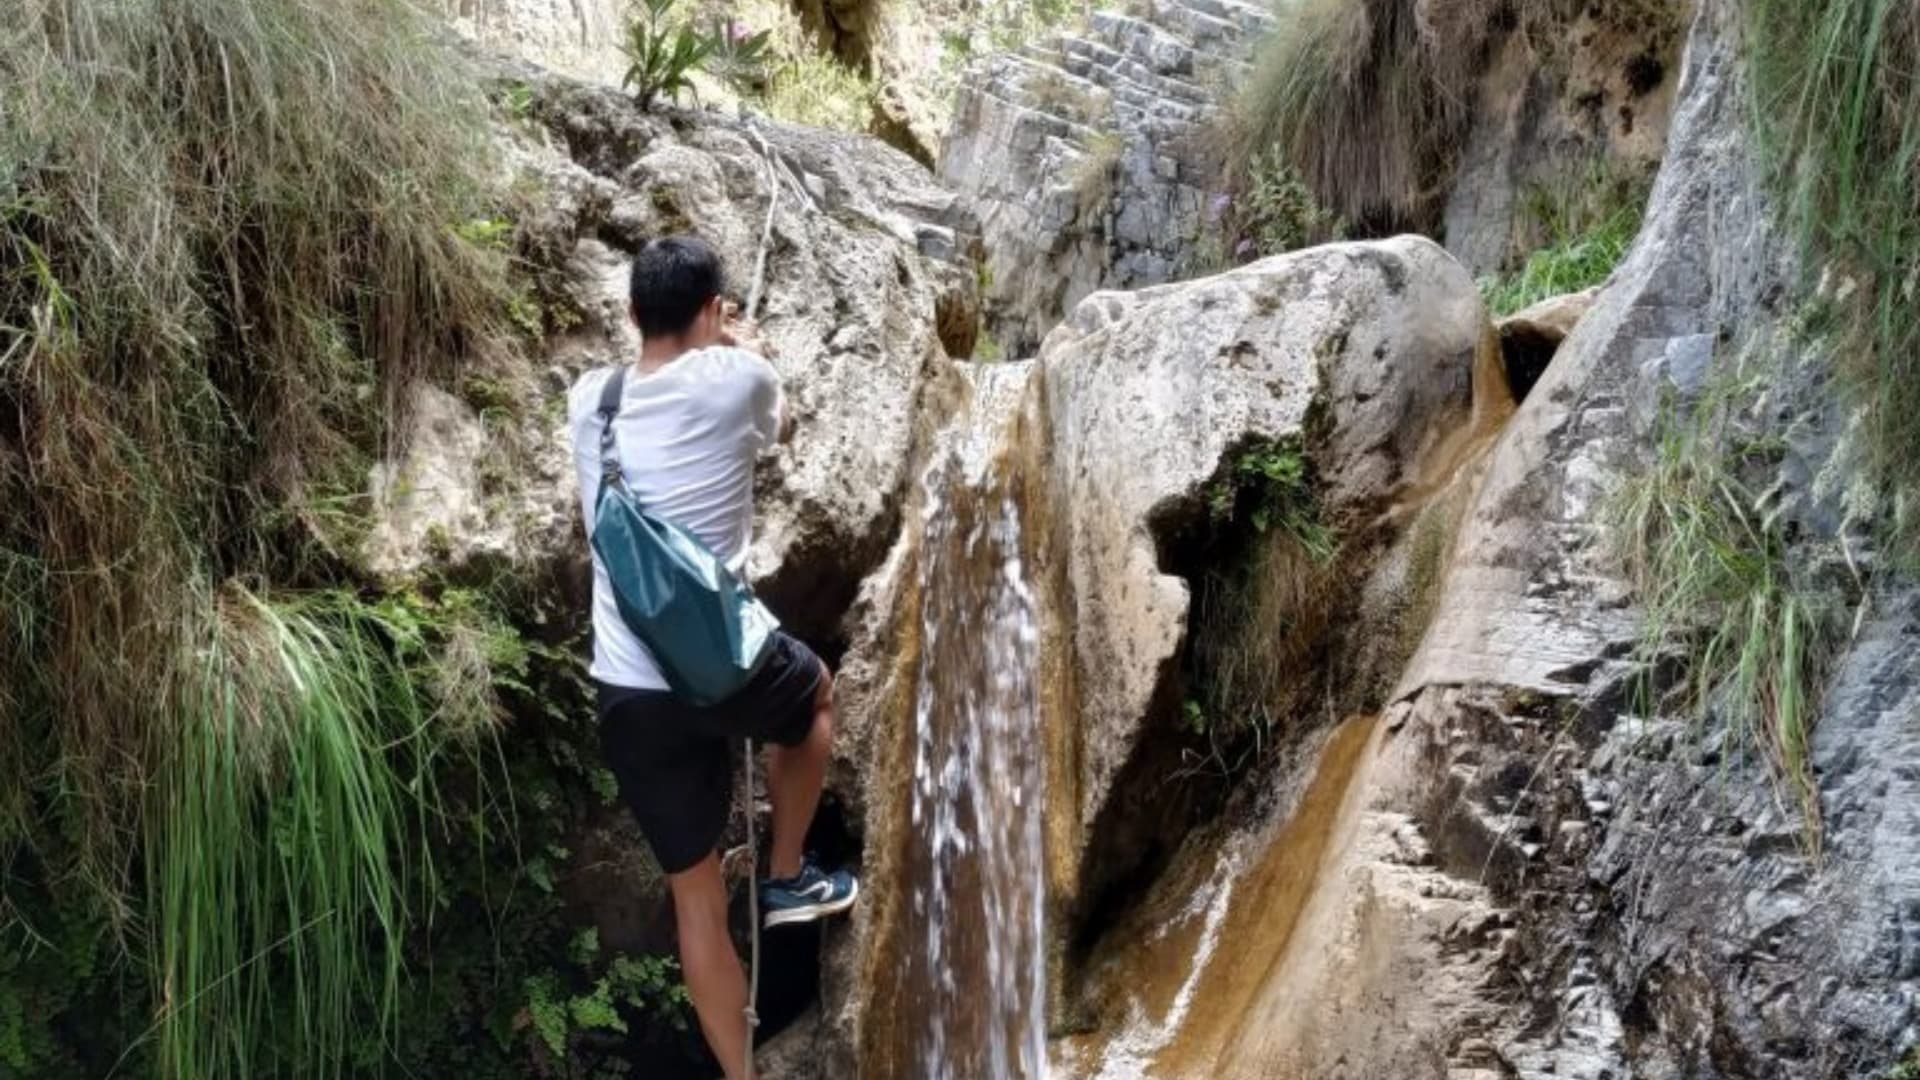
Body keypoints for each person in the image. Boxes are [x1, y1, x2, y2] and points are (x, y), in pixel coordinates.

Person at [568, 235, 859, 1079]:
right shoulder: (740, 379)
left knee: (695, 899)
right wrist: (739, 340)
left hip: (627, 692)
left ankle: (739, 1077)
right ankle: (786, 873)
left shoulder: (591, 401)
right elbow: (784, 419)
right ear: (711, 311)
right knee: (815, 701)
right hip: (724, 671)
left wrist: (702, 334)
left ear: (630, 315)